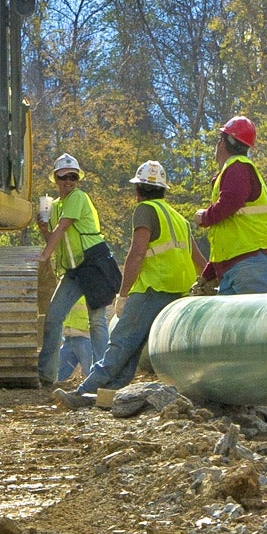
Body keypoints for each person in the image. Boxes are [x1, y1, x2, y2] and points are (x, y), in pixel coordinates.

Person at [60, 160, 205, 406]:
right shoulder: (179, 218)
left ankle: (84, 392)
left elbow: (136, 254)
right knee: (132, 347)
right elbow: (198, 259)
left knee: (120, 342)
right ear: (163, 189)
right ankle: (109, 394)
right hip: (179, 293)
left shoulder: (145, 210)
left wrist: (123, 293)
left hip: (152, 288)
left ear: (138, 189)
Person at [195, 115, 267, 293]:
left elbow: (231, 202)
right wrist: (208, 275)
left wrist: (204, 217)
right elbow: (229, 236)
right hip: (248, 262)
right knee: (230, 321)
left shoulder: (237, 167)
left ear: (222, 143)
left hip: (257, 260)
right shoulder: (232, 172)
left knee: (254, 321)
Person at [37, 154, 112, 384]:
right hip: (73, 272)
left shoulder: (79, 197)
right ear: (56, 179)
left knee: (97, 322)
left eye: (73, 176)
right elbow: (55, 236)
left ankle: (103, 376)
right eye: (64, 176)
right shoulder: (56, 206)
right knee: (53, 317)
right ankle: (46, 375)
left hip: (92, 267)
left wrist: (43, 256)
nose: (69, 181)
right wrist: (42, 228)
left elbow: (62, 229)